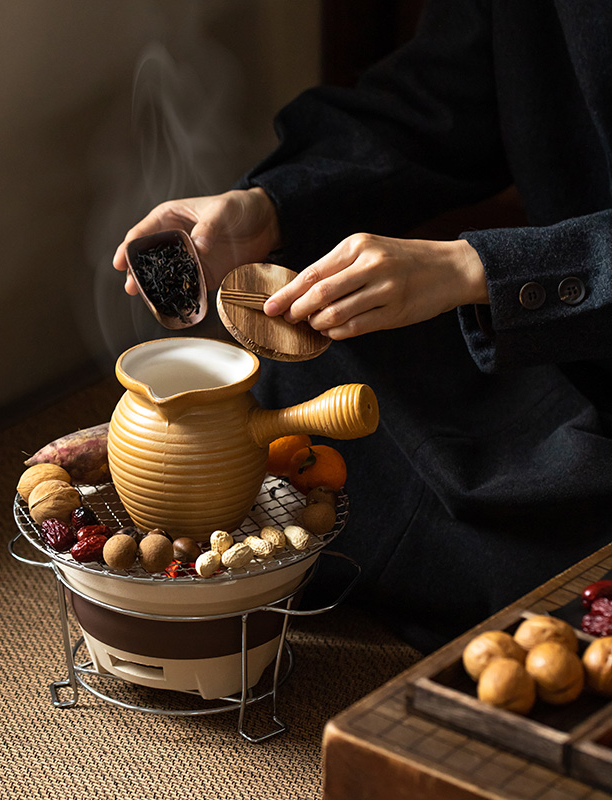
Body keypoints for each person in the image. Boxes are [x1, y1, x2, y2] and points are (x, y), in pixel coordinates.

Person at [113, 0, 612, 652]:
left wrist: (475, 269)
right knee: (306, 337)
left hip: (561, 303)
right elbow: (443, 97)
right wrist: (268, 207)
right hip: (553, 335)